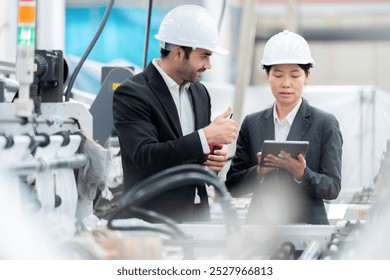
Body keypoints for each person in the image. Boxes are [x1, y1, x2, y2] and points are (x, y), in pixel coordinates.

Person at [112, 5, 237, 223]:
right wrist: (206, 136)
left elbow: (190, 152)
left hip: (198, 215)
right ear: (178, 53)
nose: (209, 65)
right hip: (152, 220)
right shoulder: (132, 93)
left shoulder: (200, 93)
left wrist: (210, 161)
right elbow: (146, 157)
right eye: (204, 56)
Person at [225, 30, 343, 225]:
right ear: (267, 75)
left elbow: (333, 188)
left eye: (295, 75)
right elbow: (232, 186)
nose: (286, 84)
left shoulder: (325, 124)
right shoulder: (251, 124)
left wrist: (303, 174)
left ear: (307, 76)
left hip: (307, 231)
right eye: (278, 75)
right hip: (259, 232)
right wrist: (259, 172)